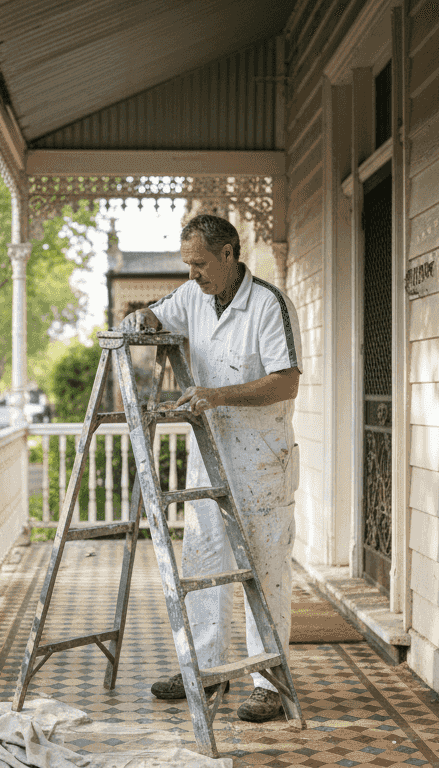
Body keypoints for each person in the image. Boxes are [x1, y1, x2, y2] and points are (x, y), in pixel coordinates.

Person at [119, 214, 301, 723]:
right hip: (210, 456)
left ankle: (269, 682)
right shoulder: (193, 295)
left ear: (228, 255)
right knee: (204, 562)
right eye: (187, 265)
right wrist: (143, 321)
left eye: (199, 263)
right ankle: (205, 669)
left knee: (264, 573)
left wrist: (216, 395)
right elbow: (159, 314)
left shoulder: (267, 304)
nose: (192, 273)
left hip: (262, 459)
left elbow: (286, 382)